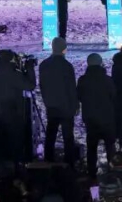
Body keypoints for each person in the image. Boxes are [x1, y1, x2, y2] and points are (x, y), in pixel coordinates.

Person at [0, 50, 36, 164]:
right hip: (12, 112)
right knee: (15, 139)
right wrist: (30, 69)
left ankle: (0, 164)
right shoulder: (14, 74)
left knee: (0, 140)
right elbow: (30, 86)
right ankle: (16, 164)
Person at [39, 37, 78, 166]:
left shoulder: (44, 65)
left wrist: (46, 101)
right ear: (64, 49)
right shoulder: (67, 66)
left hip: (51, 105)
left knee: (51, 134)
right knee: (68, 136)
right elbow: (71, 88)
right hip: (66, 106)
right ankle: (69, 162)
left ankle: (48, 159)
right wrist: (75, 105)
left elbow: (42, 86)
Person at [77, 53, 117, 179]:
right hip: (107, 119)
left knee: (91, 148)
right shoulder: (108, 80)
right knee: (110, 147)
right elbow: (114, 96)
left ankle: (91, 173)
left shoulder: (82, 80)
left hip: (90, 119)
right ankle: (113, 172)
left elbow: (79, 97)